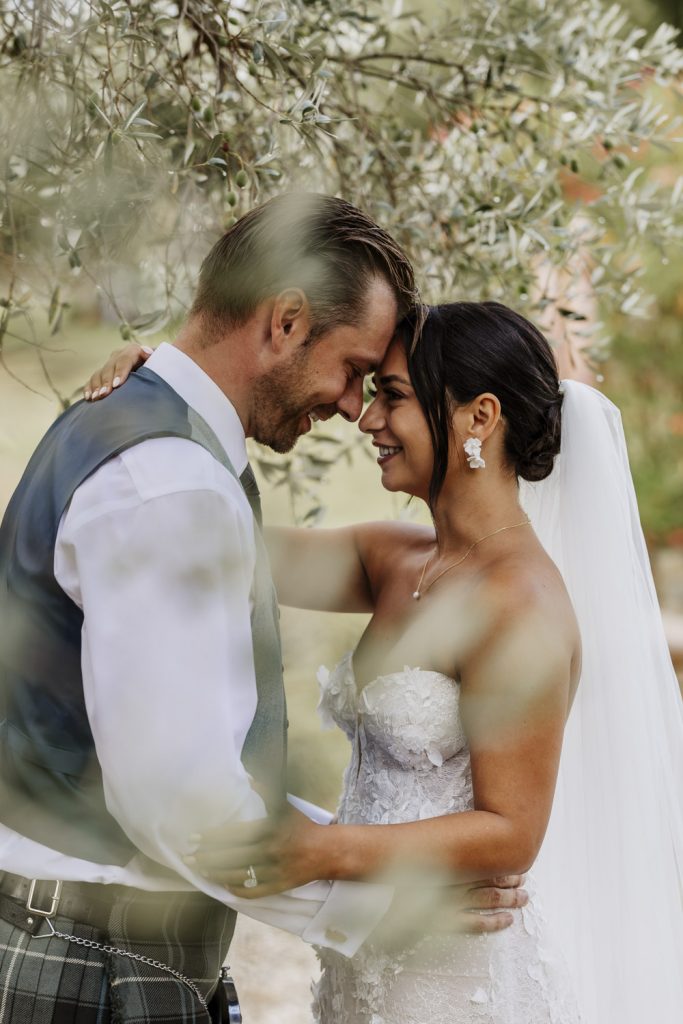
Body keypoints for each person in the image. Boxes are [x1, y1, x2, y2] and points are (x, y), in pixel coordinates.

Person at [0, 198, 523, 1023]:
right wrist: (375, 905)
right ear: (283, 322)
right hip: (94, 957)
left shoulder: (147, 440)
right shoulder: (170, 479)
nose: (355, 408)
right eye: (354, 371)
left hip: (102, 939)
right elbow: (182, 796)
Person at [96, 301, 683, 1024]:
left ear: (479, 417)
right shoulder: (393, 559)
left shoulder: (517, 601)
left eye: (394, 397)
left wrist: (322, 851)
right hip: (364, 963)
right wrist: (168, 393)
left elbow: (512, 832)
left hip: (453, 979)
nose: (367, 419)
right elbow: (208, 540)